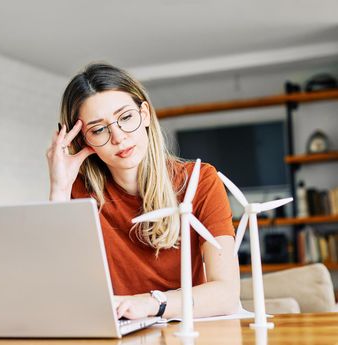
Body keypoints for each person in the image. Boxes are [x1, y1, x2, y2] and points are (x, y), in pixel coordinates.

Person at [46, 62, 240, 320]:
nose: (118, 137)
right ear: (83, 141)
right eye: (99, 129)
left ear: (145, 114)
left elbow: (226, 294)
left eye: (125, 117)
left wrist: (150, 303)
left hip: (183, 331)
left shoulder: (199, 181)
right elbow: (58, 292)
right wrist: (59, 190)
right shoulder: (79, 193)